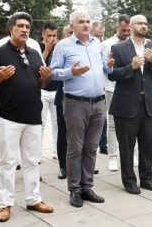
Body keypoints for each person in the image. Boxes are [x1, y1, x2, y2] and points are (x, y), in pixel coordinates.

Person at [0, 11, 54, 222]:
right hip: (9, 118)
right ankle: (5, 204)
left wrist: (45, 79)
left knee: (32, 161)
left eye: (27, 27)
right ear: (10, 28)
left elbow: (41, 84)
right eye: (20, 26)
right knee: (8, 162)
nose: (24, 29)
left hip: (33, 117)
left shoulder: (34, 53)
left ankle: (33, 199)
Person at [50, 11, 114, 208]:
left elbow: (105, 69)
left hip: (99, 102)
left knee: (91, 147)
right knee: (75, 147)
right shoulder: (63, 46)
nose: (86, 25)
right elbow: (52, 72)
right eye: (81, 22)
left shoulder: (96, 44)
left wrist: (109, 66)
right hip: (76, 103)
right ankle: (74, 189)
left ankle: (87, 186)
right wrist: (71, 72)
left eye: (88, 21)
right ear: (73, 26)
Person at [107, 15, 152, 194]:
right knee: (126, 145)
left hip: (150, 104)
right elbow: (112, 75)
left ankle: (147, 179)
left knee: (148, 144)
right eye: (140, 23)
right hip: (126, 104)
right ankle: (129, 181)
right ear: (131, 26)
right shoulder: (118, 48)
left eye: (146, 24)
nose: (143, 26)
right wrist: (130, 67)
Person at [101, 14, 132, 171]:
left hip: (131, 89)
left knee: (133, 122)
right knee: (112, 122)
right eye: (123, 30)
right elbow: (105, 69)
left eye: (128, 30)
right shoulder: (107, 44)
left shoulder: (133, 43)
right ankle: (113, 156)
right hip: (112, 88)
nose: (126, 33)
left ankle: (132, 155)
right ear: (117, 27)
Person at [53, 24, 72, 180]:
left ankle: (81, 165)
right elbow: (53, 73)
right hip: (64, 97)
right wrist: (71, 71)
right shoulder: (61, 49)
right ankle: (63, 166)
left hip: (85, 101)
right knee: (63, 133)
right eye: (69, 33)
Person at [39, 22, 60, 162]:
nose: (52, 38)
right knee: (40, 123)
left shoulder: (60, 47)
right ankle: (37, 153)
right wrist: (46, 50)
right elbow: (37, 64)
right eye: (49, 35)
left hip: (56, 90)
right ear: (43, 35)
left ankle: (57, 151)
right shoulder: (38, 47)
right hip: (42, 91)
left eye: (54, 35)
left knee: (57, 123)